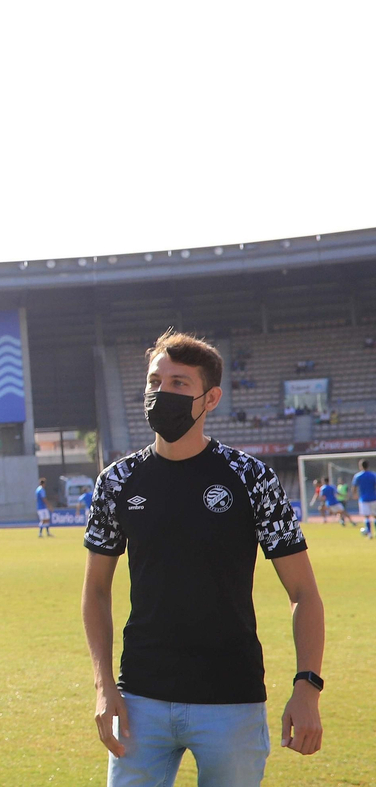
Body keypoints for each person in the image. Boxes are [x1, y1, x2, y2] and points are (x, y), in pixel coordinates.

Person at [82, 330, 324, 785]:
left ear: (210, 398)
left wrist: (307, 686)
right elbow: (95, 590)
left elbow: (303, 592)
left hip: (232, 701)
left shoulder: (251, 478)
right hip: (140, 701)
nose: (161, 393)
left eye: (178, 384)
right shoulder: (117, 480)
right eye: (155, 381)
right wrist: (103, 686)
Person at [355, 459, 376, 539]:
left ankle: (370, 534)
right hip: (374, 498)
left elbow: (354, 487)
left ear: (360, 466)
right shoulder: (373, 475)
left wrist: (355, 495)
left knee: (366, 517)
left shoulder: (358, 476)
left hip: (363, 499)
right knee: (375, 516)